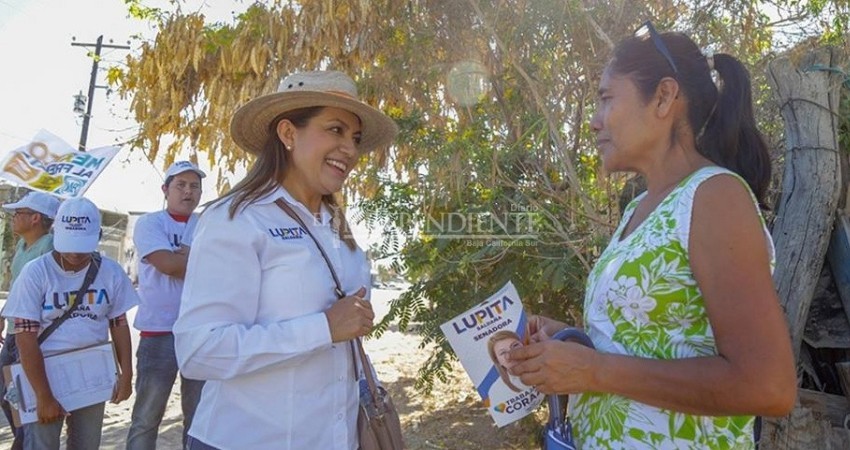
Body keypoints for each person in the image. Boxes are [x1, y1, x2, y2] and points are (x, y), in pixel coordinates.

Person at [509, 22, 797, 449]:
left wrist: (593, 370)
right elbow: (645, 348)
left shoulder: (714, 197)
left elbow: (768, 386)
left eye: (607, 98)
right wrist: (570, 343)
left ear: (663, 97)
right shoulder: (640, 208)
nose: (594, 122)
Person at [173, 70, 399, 449]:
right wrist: (323, 328)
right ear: (288, 133)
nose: (350, 149)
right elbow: (200, 351)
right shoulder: (237, 219)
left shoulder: (341, 232)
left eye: (356, 138)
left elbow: (345, 341)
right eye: (336, 130)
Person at [3, 197, 138, 450]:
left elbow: (119, 323)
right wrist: (43, 395)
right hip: (42, 373)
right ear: (56, 234)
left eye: (83, 246)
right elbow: (25, 337)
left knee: (86, 444)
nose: (75, 253)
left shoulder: (111, 272)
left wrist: (127, 373)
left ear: (97, 237)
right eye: (69, 245)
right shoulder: (35, 273)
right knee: (42, 443)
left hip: (93, 374)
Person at [126, 161, 207, 450]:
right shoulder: (151, 224)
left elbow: (226, 268)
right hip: (159, 331)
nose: (188, 191)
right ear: (165, 189)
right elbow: (168, 266)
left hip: (200, 332)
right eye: (180, 185)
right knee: (146, 417)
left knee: (199, 418)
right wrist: (199, 259)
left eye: (194, 186)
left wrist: (184, 257)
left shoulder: (207, 224)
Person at [0, 191, 60, 449]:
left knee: (22, 395)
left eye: (19, 213)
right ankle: (22, 439)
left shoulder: (50, 246)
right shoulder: (22, 247)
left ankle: (24, 441)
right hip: (14, 331)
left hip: (33, 335)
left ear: (36, 218)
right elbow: (17, 287)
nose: (13, 218)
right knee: (7, 393)